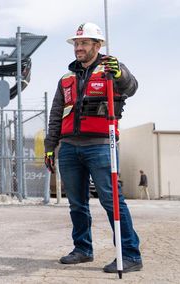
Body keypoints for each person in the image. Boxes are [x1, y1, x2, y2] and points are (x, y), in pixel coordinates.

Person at [44, 23, 142, 273]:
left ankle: (130, 254)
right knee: (77, 203)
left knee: (112, 201)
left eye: (84, 43)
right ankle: (83, 249)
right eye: (77, 43)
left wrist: (120, 74)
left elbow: (131, 87)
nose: (78, 47)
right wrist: (49, 146)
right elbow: (56, 113)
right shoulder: (65, 79)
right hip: (68, 147)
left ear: (97, 46)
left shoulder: (111, 69)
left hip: (100, 146)